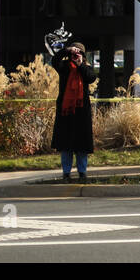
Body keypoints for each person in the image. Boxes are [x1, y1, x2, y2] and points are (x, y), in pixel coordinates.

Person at [51, 40, 97, 182]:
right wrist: (67, 50)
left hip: (81, 111)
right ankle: (66, 173)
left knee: (81, 145)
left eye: (78, 53)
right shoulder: (64, 67)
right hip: (66, 111)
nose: (75, 55)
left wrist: (80, 64)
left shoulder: (86, 68)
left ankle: (82, 172)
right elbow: (54, 60)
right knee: (66, 145)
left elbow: (91, 78)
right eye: (74, 53)